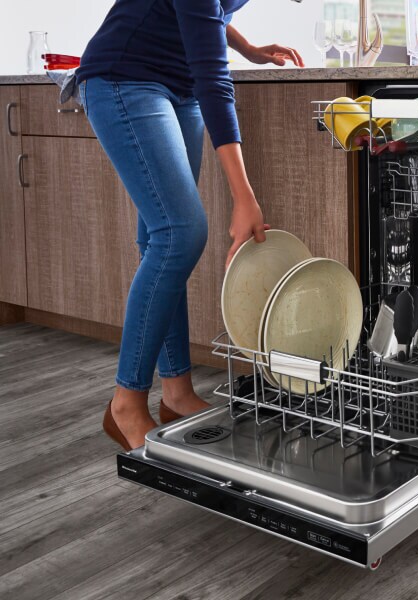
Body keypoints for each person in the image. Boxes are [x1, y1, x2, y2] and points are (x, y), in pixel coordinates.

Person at [76, 0, 304, 451]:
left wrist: (250, 48)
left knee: (162, 241)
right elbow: (214, 81)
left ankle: (176, 393)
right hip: (126, 78)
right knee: (180, 234)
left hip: (177, 89)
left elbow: (205, 15)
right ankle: (126, 403)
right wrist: (244, 198)